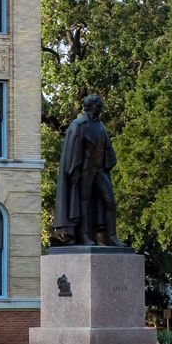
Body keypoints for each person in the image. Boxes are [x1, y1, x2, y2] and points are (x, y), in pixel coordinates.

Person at [53, 94, 119, 246]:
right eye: (99, 106)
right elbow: (73, 150)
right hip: (84, 171)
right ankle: (84, 236)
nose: (101, 108)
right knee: (83, 203)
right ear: (92, 106)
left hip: (99, 170)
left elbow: (107, 147)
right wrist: (74, 170)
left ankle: (111, 236)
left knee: (110, 202)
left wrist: (109, 160)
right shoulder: (79, 125)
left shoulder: (100, 126)